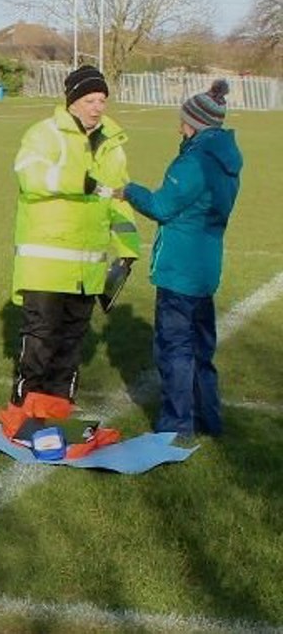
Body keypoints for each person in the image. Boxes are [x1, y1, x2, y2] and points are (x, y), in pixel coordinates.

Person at [3, 65, 140, 432]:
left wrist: (128, 249)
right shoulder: (45, 134)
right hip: (46, 262)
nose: (97, 107)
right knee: (40, 340)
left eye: (102, 100)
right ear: (73, 101)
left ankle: (59, 412)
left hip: (88, 267)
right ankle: (24, 410)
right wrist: (77, 181)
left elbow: (118, 198)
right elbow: (29, 175)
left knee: (71, 344)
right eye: (89, 99)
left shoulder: (112, 144)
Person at [120, 80, 242, 441]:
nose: (179, 127)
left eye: (183, 121)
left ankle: (175, 424)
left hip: (180, 270)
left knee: (175, 347)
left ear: (195, 123)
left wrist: (129, 190)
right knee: (202, 348)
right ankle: (208, 418)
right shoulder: (226, 160)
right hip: (206, 266)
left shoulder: (195, 163)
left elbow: (161, 206)